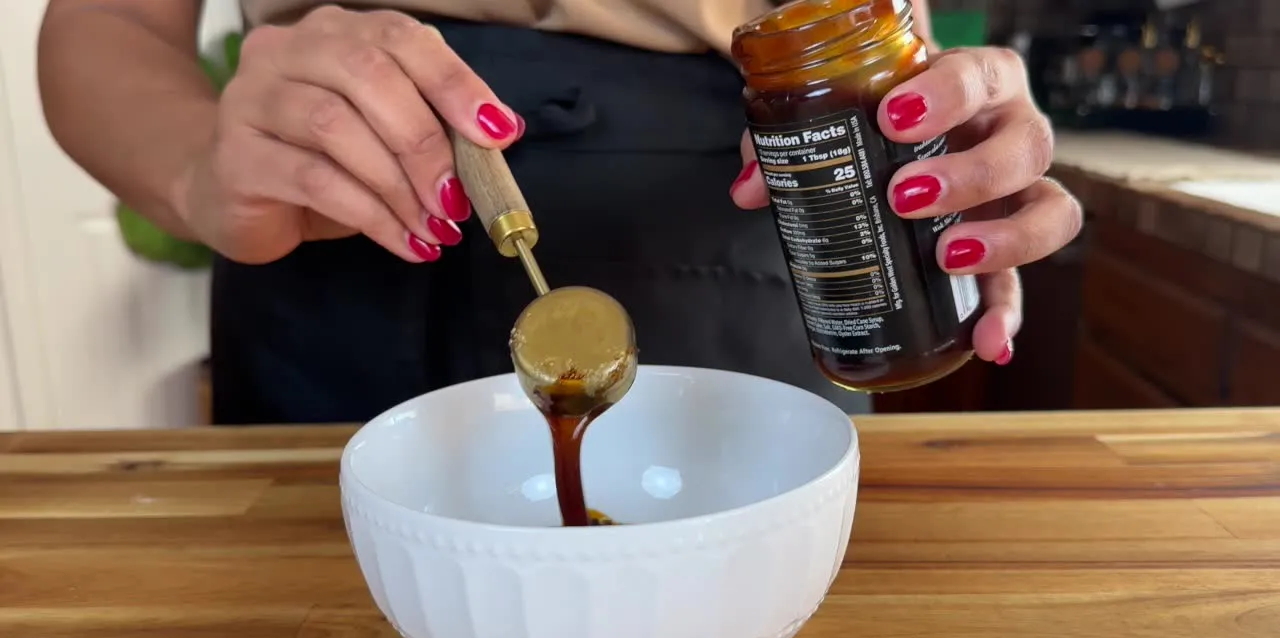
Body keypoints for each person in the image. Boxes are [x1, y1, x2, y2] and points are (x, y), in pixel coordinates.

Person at [37, 0, 1081, 425]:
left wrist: (935, 116)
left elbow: (885, 17)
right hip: (337, 215)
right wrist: (197, 176)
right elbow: (108, 22)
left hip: (747, 224)